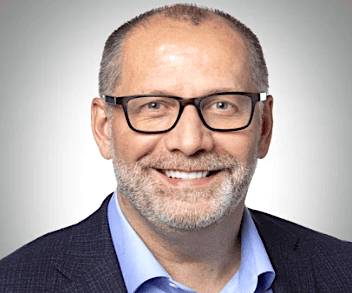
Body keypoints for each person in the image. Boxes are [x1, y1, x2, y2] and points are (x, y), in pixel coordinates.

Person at [0, 3, 351, 293]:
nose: (190, 142)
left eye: (222, 105)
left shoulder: (343, 273)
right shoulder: (14, 284)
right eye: (154, 106)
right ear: (104, 127)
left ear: (264, 126)